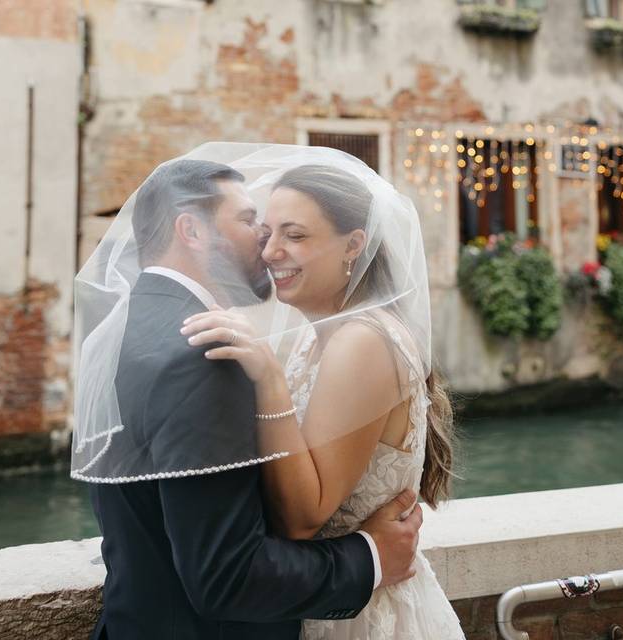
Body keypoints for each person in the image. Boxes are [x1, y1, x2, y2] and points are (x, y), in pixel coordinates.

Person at [71, 156, 424, 640]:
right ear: (191, 231)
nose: (265, 243)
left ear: (354, 247)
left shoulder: (120, 332)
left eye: (291, 234)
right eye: (248, 221)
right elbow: (228, 575)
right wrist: (370, 557)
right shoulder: (202, 355)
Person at [182, 159, 464, 639]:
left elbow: (302, 517)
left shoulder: (363, 341)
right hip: (330, 600)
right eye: (267, 232)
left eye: (295, 235)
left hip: (359, 617)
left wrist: (269, 379)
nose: (271, 251)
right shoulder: (319, 336)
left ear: (353, 244)